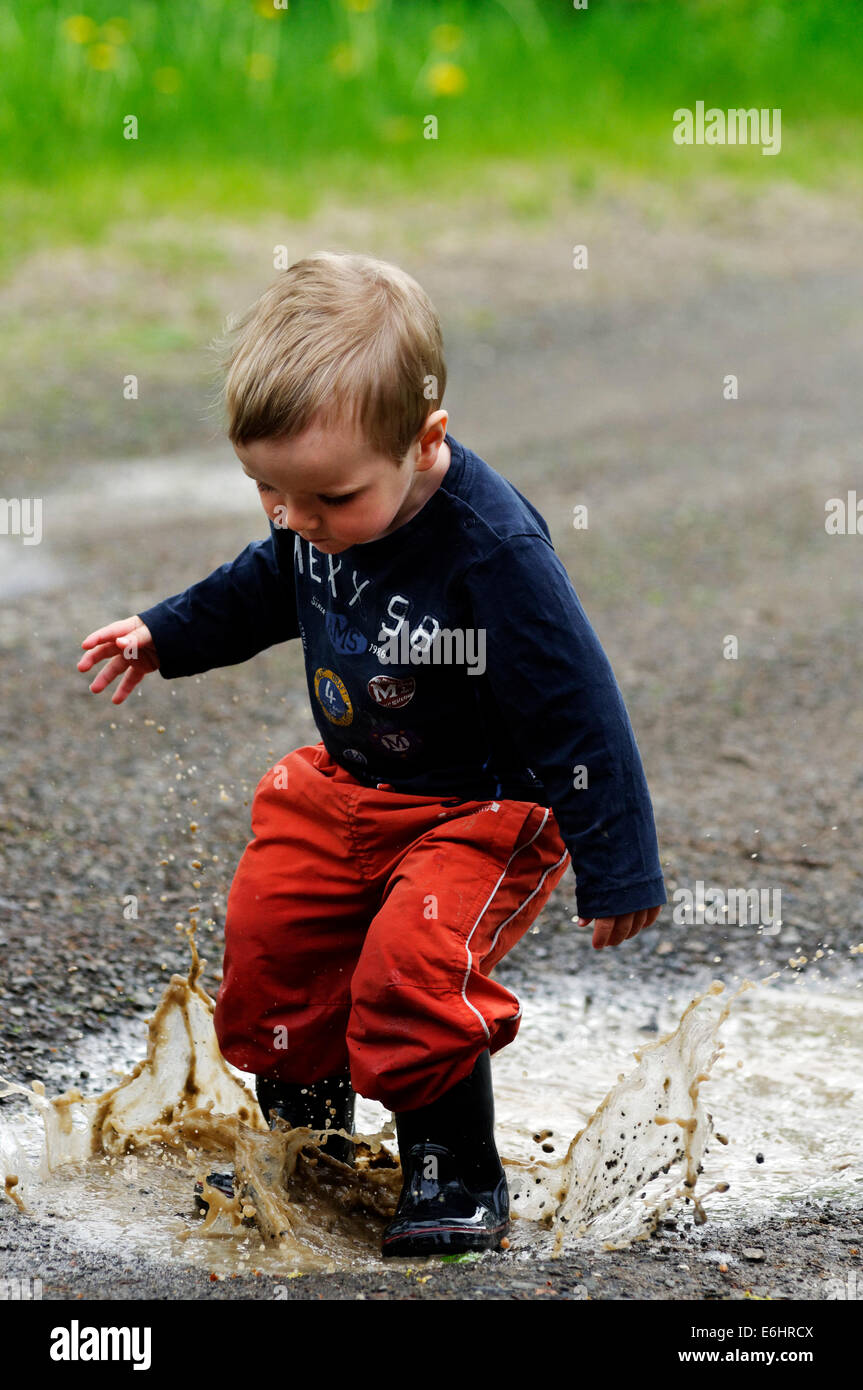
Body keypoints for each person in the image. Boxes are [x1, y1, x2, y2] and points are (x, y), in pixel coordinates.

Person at [78, 251, 665, 1257]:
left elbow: (578, 709)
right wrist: (164, 632)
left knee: (408, 969)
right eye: (271, 491)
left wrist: (618, 862)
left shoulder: (493, 552)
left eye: (327, 500)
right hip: (351, 793)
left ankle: (452, 1168)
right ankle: (308, 1143)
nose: (298, 521)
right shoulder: (315, 511)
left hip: (479, 817)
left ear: (424, 439)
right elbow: (266, 584)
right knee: (274, 942)